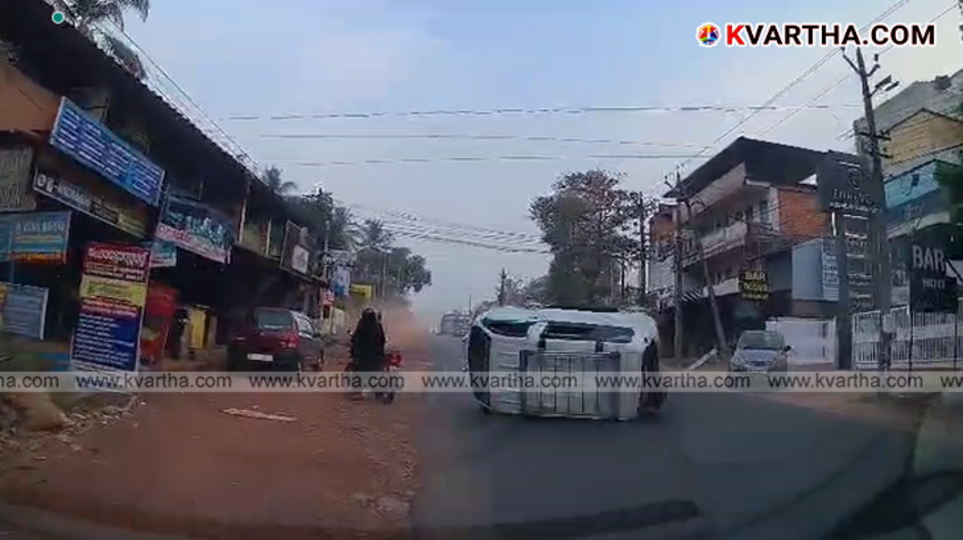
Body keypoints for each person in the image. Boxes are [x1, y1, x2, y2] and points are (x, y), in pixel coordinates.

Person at [347, 308, 387, 398]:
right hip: (376, 355)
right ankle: (379, 392)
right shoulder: (378, 326)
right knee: (378, 372)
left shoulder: (362, 325)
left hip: (362, 356)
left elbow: (355, 339)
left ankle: (357, 391)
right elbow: (382, 340)